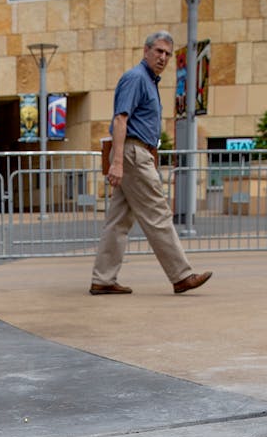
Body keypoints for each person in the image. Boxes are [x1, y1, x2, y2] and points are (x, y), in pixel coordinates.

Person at [90, 31, 212, 296]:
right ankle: (181, 275)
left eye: (167, 53)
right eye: (158, 51)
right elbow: (120, 120)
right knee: (157, 213)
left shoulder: (147, 81)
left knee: (119, 219)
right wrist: (119, 162)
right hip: (132, 154)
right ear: (146, 51)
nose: (163, 58)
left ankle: (103, 278)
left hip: (136, 153)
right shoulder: (136, 78)